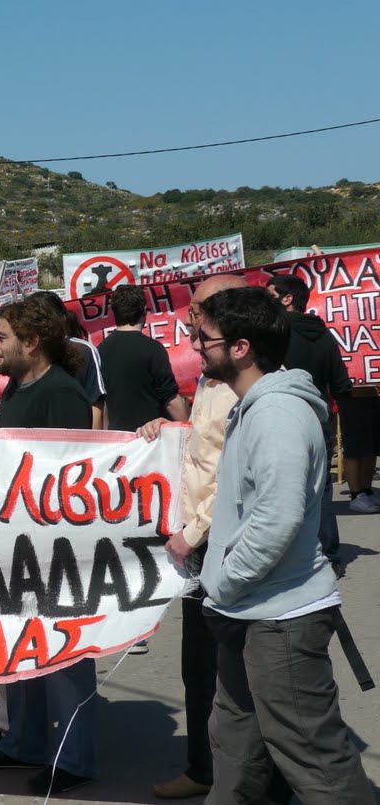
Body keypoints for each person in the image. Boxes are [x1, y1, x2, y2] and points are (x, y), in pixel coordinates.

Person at [193, 285, 370, 802]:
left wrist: (225, 582)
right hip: (250, 610)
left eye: (204, 337)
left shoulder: (277, 415)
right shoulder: (254, 406)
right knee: (236, 746)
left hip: (282, 617)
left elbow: (277, 518)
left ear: (240, 347)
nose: (195, 346)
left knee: (313, 756)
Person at [0, 298, 95, 795]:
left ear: (32, 342)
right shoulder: (17, 391)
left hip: (53, 548)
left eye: (1, 337)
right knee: (19, 647)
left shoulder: (62, 394)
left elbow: (69, 477)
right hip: (13, 544)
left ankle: (73, 759)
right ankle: (23, 742)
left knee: (64, 656)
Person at [138, 273, 248, 800]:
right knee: (198, 669)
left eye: (200, 310)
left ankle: (237, 778)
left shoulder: (249, 386)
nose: (189, 318)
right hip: (199, 548)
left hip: (220, 548)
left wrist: (194, 531)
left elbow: (234, 471)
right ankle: (204, 769)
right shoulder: (209, 377)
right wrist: (166, 430)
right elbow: (203, 448)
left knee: (227, 672)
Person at [267, 274, 352, 569]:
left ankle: (289, 558)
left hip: (281, 420)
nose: (266, 301)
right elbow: (341, 384)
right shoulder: (325, 335)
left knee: (280, 489)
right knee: (321, 490)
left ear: (287, 299)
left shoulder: (274, 335)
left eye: (270, 295)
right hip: (319, 423)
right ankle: (328, 556)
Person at [97, 285, 189, 432]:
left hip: (120, 440)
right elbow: (170, 399)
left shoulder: (100, 350)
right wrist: (188, 429)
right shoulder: (153, 349)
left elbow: (104, 404)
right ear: (144, 310)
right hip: (152, 438)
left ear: (114, 312)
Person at [23, 290, 106, 429]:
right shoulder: (24, 352)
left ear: (62, 319)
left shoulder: (84, 351)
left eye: (43, 318)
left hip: (75, 440)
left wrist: (93, 445)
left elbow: (95, 404)